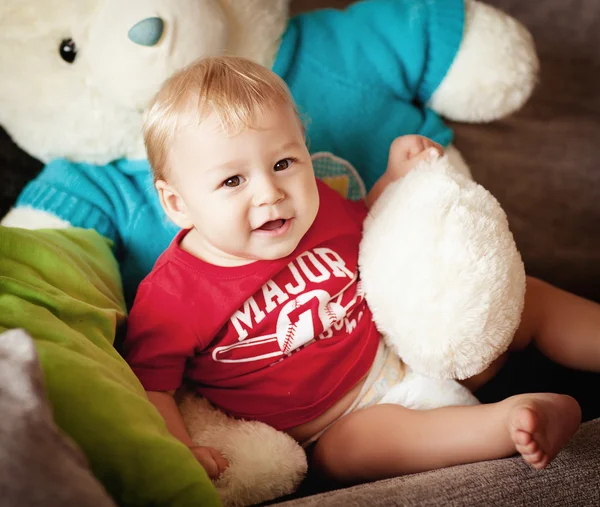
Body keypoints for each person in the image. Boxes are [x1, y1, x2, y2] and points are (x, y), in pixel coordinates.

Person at [122, 56, 595, 484]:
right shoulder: (172, 296)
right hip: (338, 420)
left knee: (521, 298)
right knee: (351, 452)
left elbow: (372, 226)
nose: (270, 192)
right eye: (232, 180)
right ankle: (509, 421)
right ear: (177, 203)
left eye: (284, 162)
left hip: (411, 349)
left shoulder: (319, 208)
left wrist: (394, 178)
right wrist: (181, 449)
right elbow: (152, 386)